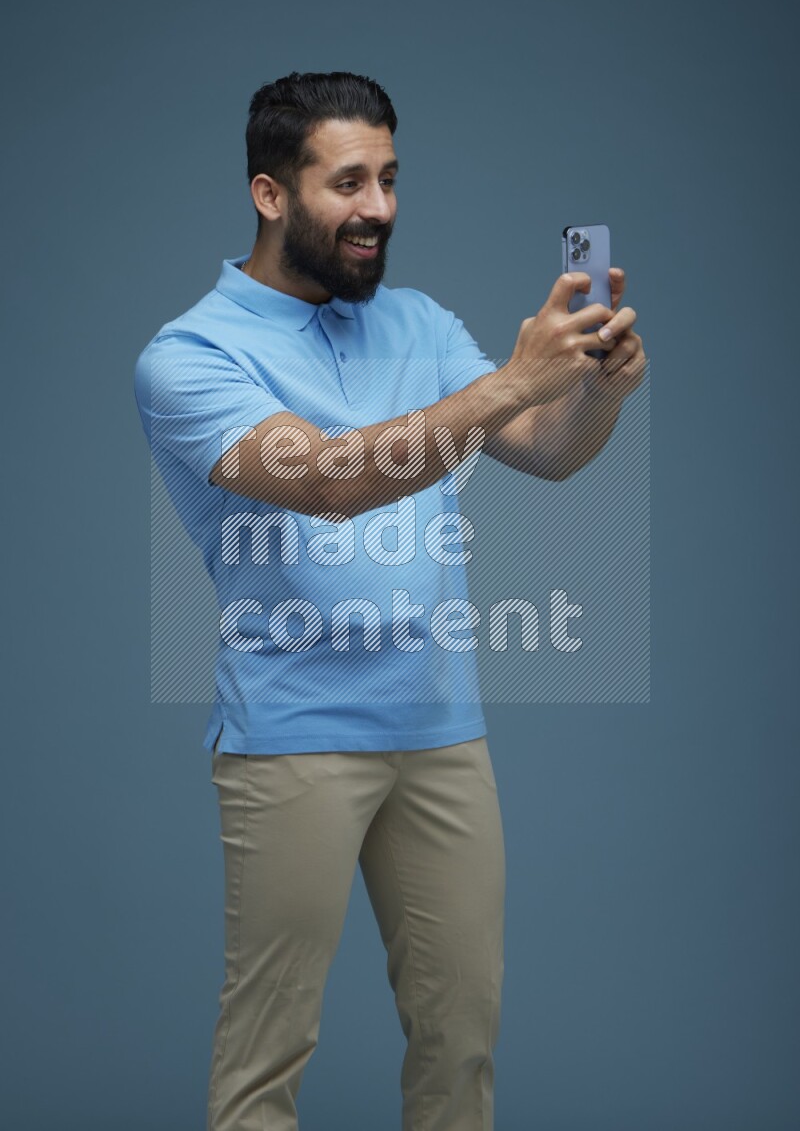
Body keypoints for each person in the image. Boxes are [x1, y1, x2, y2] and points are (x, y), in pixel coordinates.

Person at [133, 70, 645, 1131]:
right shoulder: (188, 356)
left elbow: (543, 452)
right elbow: (327, 478)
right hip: (291, 736)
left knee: (461, 1036)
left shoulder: (415, 321)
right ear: (270, 193)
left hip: (440, 728)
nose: (379, 208)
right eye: (349, 181)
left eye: (391, 178)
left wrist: (588, 388)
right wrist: (509, 378)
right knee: (268, 1054)